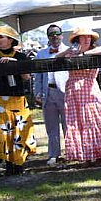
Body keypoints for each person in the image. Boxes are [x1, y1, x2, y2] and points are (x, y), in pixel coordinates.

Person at [57, 27, 101, 163]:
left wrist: (84, 55)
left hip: (90, 89)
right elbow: (56, 57)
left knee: (97, 119)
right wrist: (68, 51)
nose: (86, 39)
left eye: (88, 37)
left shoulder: (96, 51)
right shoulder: (71, 54)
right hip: (73, 90)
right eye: (82, 37)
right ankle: (85, 156)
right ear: (77, 40)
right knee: (77, 122)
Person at [0, 24, 36, 176]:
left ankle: (19, 164)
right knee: (2, 133)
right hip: (0, 100)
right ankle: (6, 164)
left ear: (10, 40)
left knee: (19, 131)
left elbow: (27, 77)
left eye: (1, 37)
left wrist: (15, 64)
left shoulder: (20, 56)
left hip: (18, 100)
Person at [34, 24, 69, 167]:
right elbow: (37, 76)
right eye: (51, 34)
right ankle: (53, 155)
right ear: (48, 37)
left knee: (68, 125)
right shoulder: (41, 54)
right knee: (51, 127)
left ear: (61, 35)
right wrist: (37, 93)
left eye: (57, 33)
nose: (54, 36)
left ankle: (71, 152)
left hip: (66, 93)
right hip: (47, 92)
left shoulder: (69, 51)